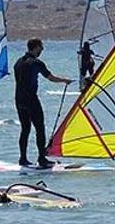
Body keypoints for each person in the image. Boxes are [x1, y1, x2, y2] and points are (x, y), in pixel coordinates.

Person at [14, 38, 73, 168]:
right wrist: (65, 81)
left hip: (19, 100)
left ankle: (22, 158)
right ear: (36, 47)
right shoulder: (36, 63)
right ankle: (42, 159)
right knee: (40, 129)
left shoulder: (18, 62)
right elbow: (50, 78)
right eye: (41, 47)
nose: (42, 50)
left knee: (25, 129)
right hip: (31, 100)